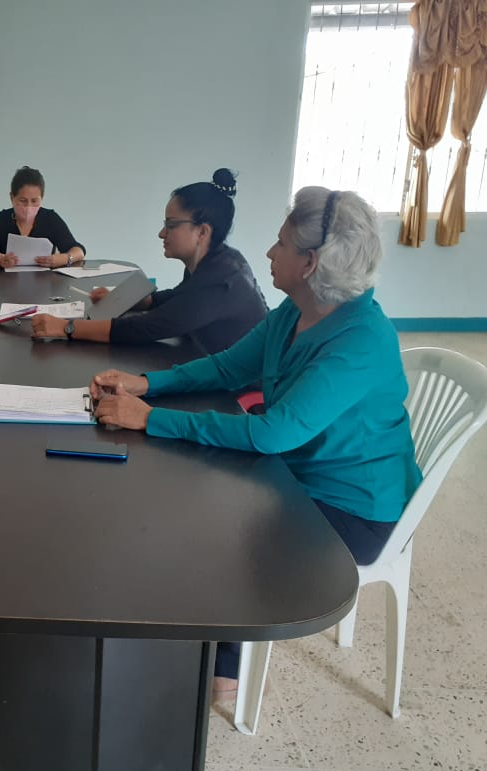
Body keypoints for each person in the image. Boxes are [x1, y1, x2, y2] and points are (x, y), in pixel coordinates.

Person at [89, 186, 422, 695]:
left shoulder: (360, 340)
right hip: (297, 474)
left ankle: (225, 668)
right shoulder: (296, 310)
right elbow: (229, 367)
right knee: (189, 492)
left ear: (310, 262)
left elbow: (273, 434)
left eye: (281, 243)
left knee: (218, 522)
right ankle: (199, 638)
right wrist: (146, 384)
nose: (269, 252)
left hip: (351, 509)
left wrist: (151, 419)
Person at [31, 168, 267, 353]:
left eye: (171, 225)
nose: (162, 233)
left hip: (241, 391)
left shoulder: (221, 281)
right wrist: (132, 300)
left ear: (202, 232)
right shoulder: (217, 262)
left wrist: (66, 327)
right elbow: (180, 297)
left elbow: (149, 327)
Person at [0, 166, 86, 269]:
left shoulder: (50, 219)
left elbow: (78, 251)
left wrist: (64, 258)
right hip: (5, 284)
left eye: (34, 201)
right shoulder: (0, 220)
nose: (29, 206)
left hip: (44, 284)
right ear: (12, 197)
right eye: (23, 200)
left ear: (42, 198)